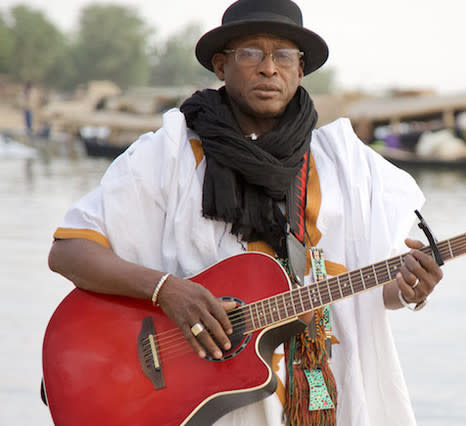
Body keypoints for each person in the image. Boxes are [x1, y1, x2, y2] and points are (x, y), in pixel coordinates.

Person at [46, 0, 443, 425]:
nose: (269, 68)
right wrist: (167, 290)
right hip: (205, 403)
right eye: (251, 52)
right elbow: (69, 251)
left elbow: (366, 293)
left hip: (321, 397)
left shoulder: (346, 164)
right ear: (221, 66)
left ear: (301, 69)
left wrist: (409, 290)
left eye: (284, 55)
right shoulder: (169, 155)